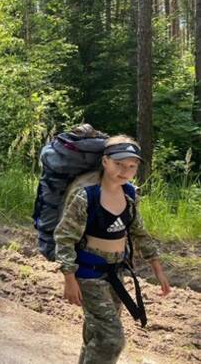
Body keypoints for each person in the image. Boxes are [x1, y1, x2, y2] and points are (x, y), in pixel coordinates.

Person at [54, 135, 171, 364]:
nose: (125, 170)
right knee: (111, 339)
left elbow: (139, 232)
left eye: (131, 166)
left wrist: (157, 268)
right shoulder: (85, 197)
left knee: (95, 335)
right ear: (105, 161)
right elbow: (64, 237)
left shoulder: (129, 195)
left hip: (116, 273)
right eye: (119, 164)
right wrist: (69, 278)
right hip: (89, 276)